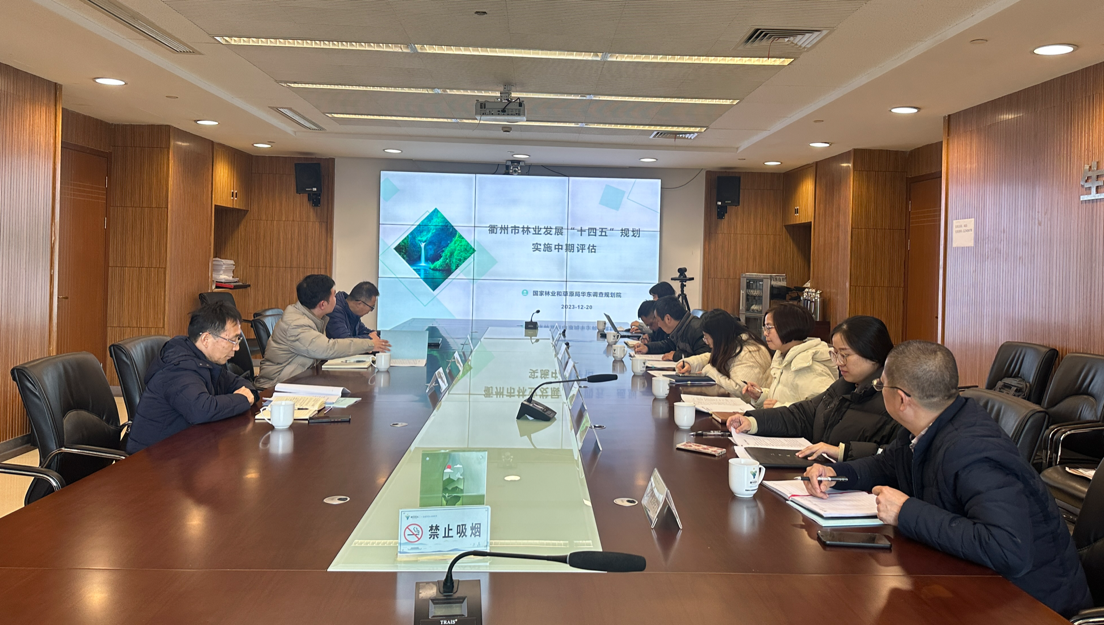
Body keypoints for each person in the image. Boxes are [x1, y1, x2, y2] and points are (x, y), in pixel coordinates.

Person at [802, 341, 1092, 618]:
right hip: (975, 583)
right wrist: (838, 474)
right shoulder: (931, 421)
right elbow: (887, 465)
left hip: (1033, 606)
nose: (879, 391)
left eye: (881, 385)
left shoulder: (973, 451)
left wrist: (906, 512)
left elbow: (1009, 549)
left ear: (901, 399)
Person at [722, 315, 899, 461]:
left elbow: (895, 456)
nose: (838, 362)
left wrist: (842, 452)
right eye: (835, 354)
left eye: (845, 355)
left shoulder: (894, 398)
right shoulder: (844, 386)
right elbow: (803, 414)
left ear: (873, 353)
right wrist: (754, 422)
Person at [126, 301, 257, 453]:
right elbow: (201, 410)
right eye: (232, 340)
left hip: (183, 448)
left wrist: (247, 394)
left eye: (238, 340)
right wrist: (242, 399)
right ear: (206, 339)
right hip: (150, 458)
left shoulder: (205, 361)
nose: (237, 347)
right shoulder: (178, 369)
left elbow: (241, 383)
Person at [256, 274, 391, 388]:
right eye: (333, 296)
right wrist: (370, 344)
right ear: (322, 304)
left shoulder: (312, 317)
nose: (337, 299)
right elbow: (328, 349)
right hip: (276, 385)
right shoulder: (297, 325)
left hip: (299, 377)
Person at [743, 302, 837, 409]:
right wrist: (761, 396)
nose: (765, 333)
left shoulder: (807, 365)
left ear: (787, 327)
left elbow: (824, 408)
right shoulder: (785, 357)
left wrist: (778, 407)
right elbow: (787, 397)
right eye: (765, 328)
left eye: (769, 327)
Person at [675, 309, 770, 396]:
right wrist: (691, 364)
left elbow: (741, 391)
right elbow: (716, 356)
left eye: (706, 337)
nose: (706, 342)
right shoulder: (733, 343)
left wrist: (709, 371)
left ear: (717, 336)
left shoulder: (750, 353)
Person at [632, 295, 708, 361]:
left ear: (668, 319)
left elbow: (705, 358)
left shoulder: (698, 329)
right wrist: (647, 348)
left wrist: (676, 356)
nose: (659, 325)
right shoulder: (680, 327)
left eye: (658, 321)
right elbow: (667, 345)